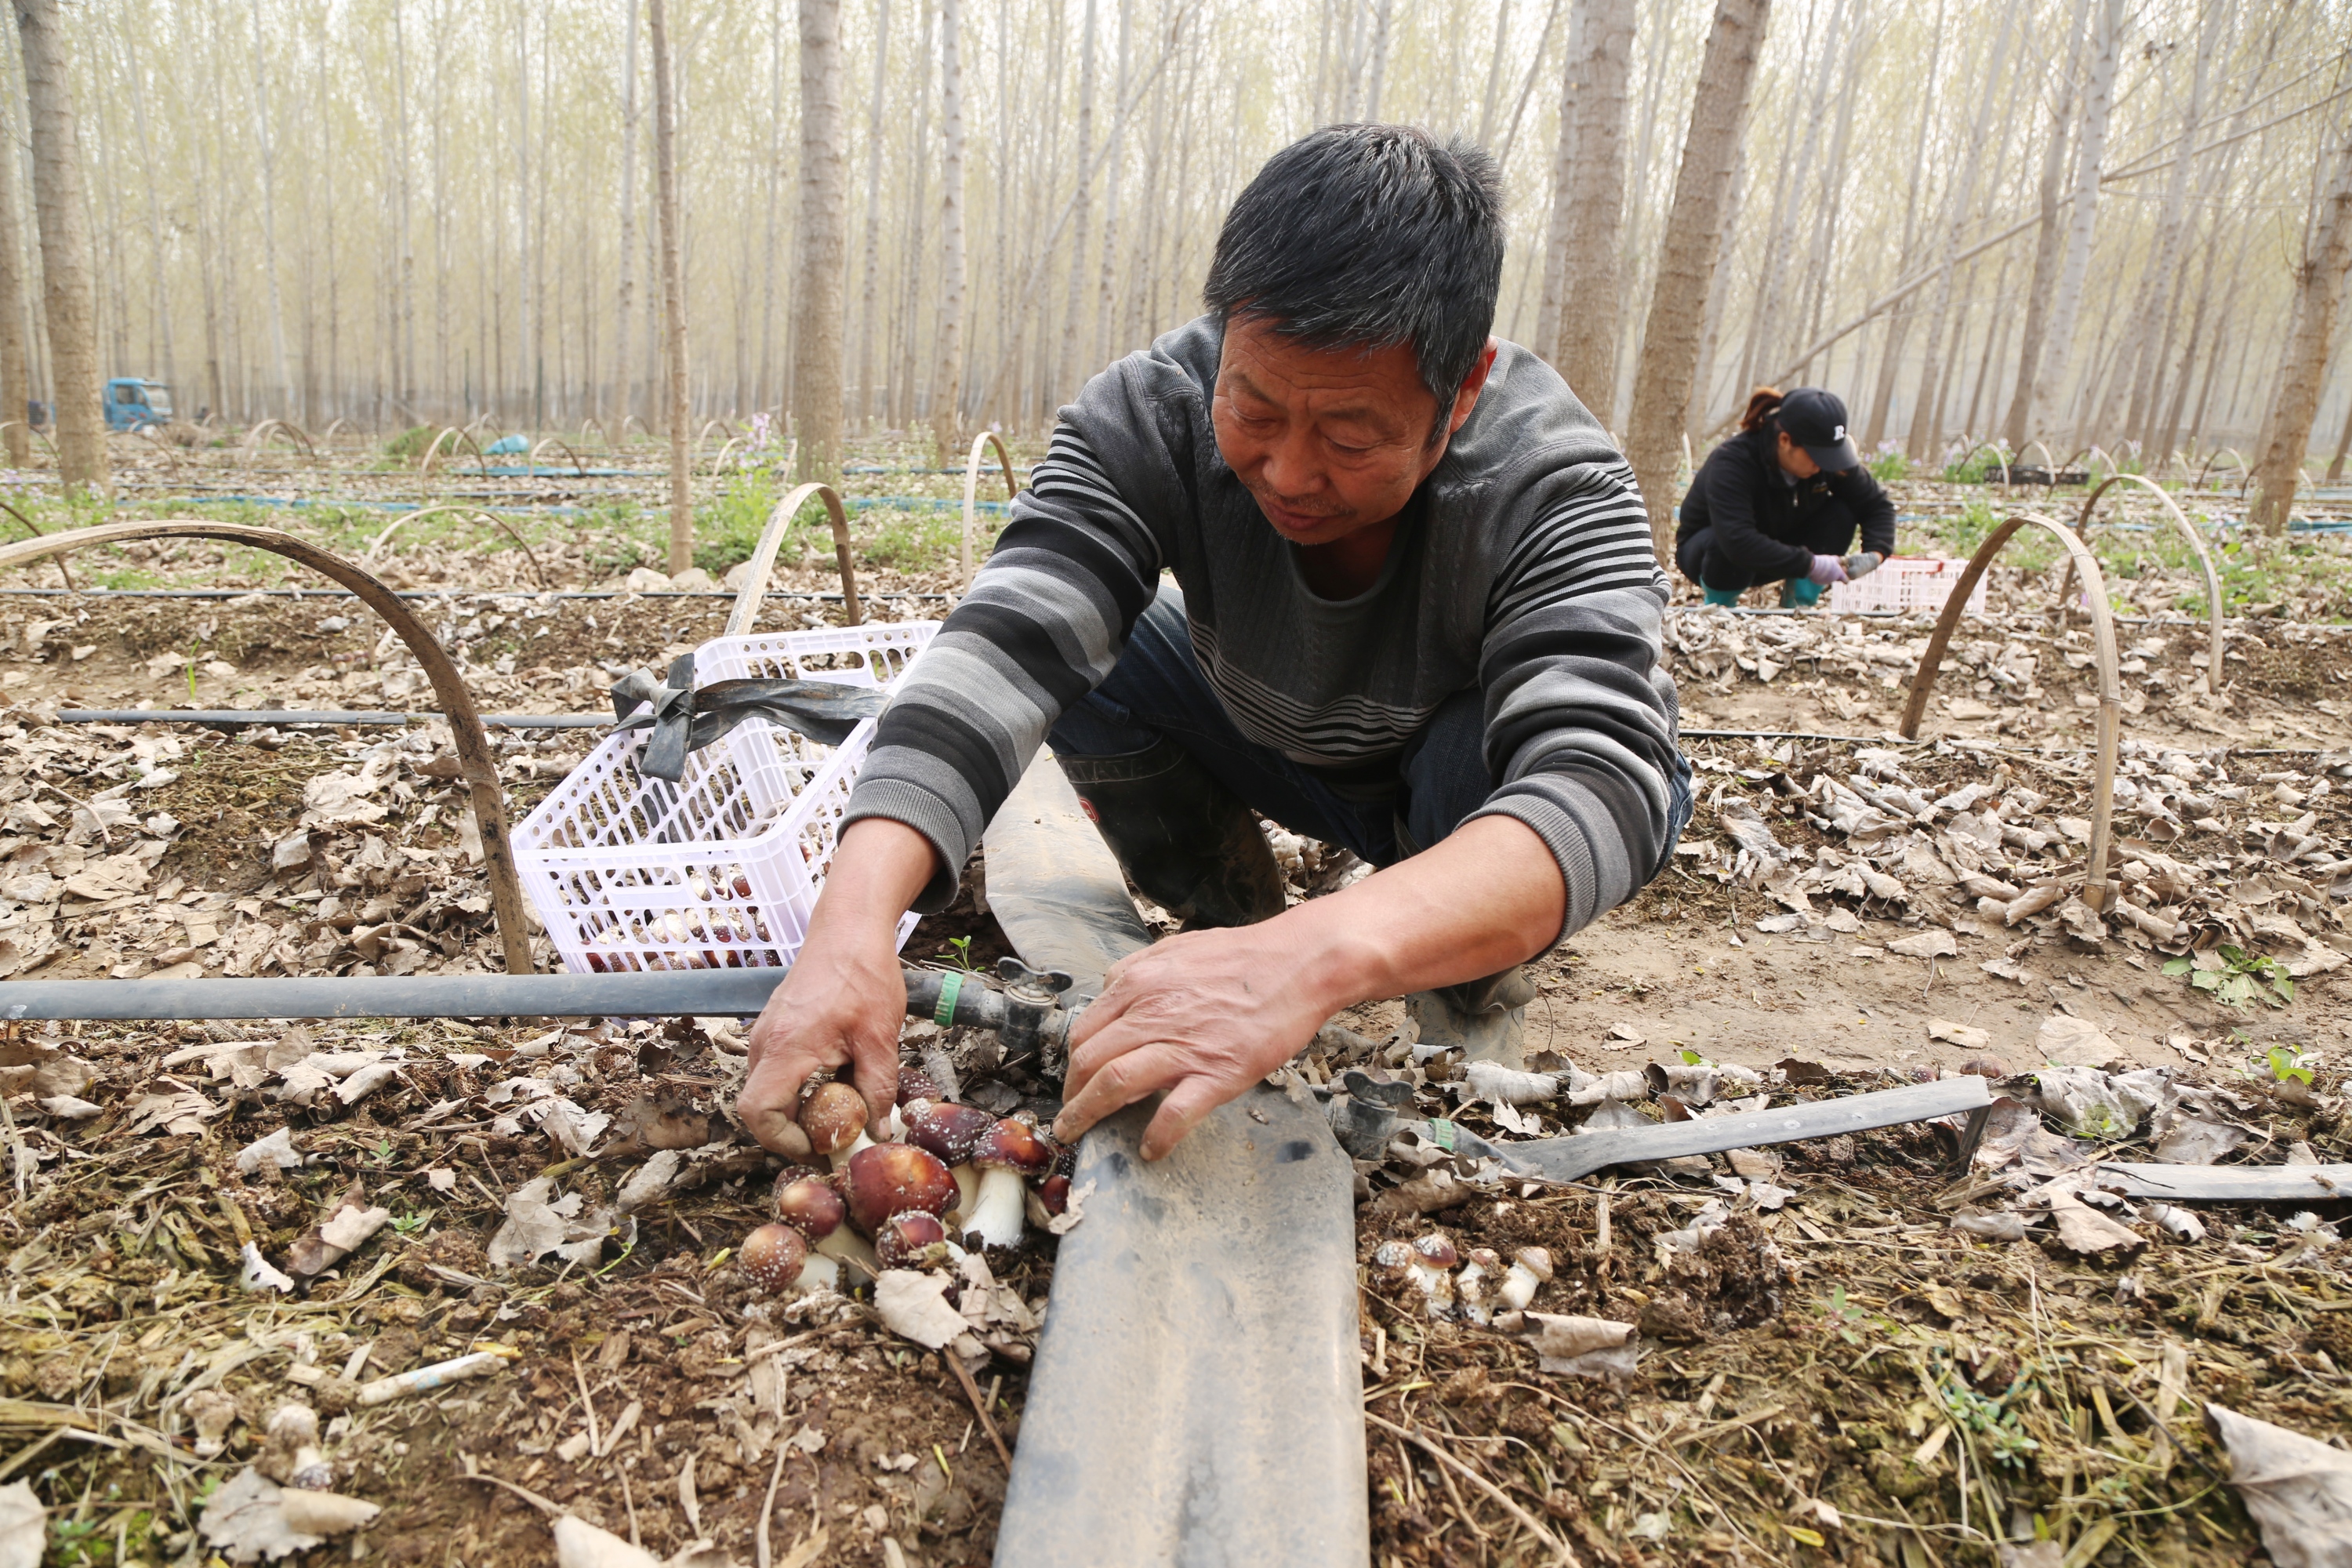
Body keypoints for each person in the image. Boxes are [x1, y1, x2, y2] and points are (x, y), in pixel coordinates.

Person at [738, 125, 1690, 1163]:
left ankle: (1450, 979)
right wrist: (852, 921)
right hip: (1278, 730)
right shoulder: (1152, 409)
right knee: (1093, 658)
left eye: (1350, 438)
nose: (1285, 470)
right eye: (1254, 404)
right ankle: (1227, 929)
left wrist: (1315, 960)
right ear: (1224, 339)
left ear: (1459, 395)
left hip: (1458, 788)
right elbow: (1004, 640)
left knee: (1497, 754)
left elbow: (1604, 783)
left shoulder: (1554, 485)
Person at [1674, 386, 1896, 609]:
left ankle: (1800, 603)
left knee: (1841, 513)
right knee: (1723, 540)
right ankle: (1720, 605)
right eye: (1817, 456)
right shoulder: (1733, 462)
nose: (1822, 466)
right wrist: (1811, 564)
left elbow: (1876, 505)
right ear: (1785, 440)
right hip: (1713, 556)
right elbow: (1737, 540)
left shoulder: (1827, 464)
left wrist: (1875, 555)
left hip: (1783, 553)